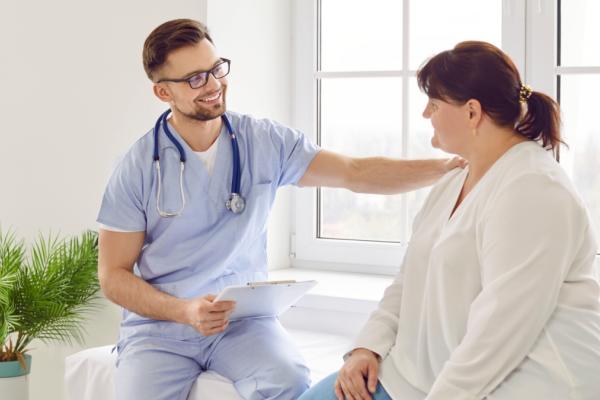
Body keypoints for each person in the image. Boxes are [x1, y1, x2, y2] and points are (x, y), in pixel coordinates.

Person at [96, 19, 462, 400]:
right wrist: (184, 311)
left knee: (287, 380)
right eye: (195, 79)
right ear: (162, 92)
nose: (213, 84)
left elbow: (355, 172)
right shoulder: (138, 166)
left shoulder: (264, 141)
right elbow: (113, 275)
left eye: (217, 69)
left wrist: (444, 169)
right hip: (161, 330)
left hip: (242, 324)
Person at [299, 41, 600, 400]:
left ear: (472, 113)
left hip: (524, 379)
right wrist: (369, 347)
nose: (426, 114)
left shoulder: (535, 190)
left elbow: (501, 330)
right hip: (419, 374)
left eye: (435, 104)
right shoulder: (454, 180)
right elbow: (408, 280)